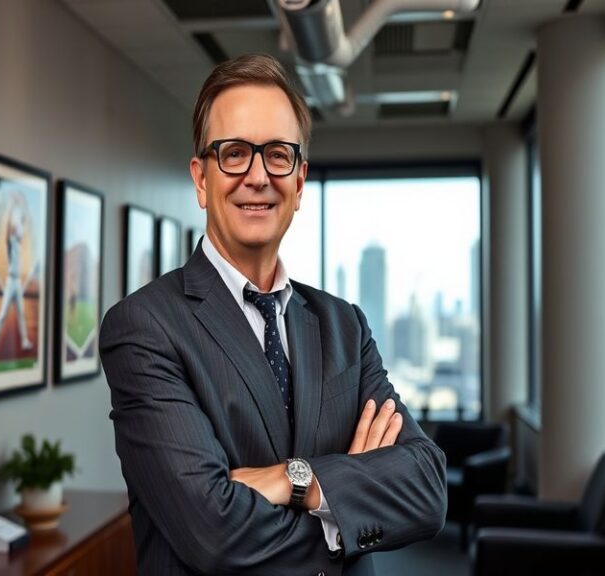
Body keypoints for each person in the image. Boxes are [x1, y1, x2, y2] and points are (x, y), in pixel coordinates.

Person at [99, 54, 447, 576]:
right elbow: (214, 532)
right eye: (235, 153)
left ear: (300, 182)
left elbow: (427, 487)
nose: (258, 176)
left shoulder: (344, 326)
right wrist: (350, 493)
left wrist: (293, 480)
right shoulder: (145, 328)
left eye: (278, 155)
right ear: (201, 179)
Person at [0, 192, 33, 357]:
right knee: (2, 314)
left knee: (21, 314)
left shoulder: (19, 244)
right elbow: (9, 225)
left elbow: (23, 220)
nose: (19, 228)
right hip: (11, 281)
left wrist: (21, 204)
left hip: (18, 282)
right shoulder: (11, 241)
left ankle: (25, 341)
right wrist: (11, 205)